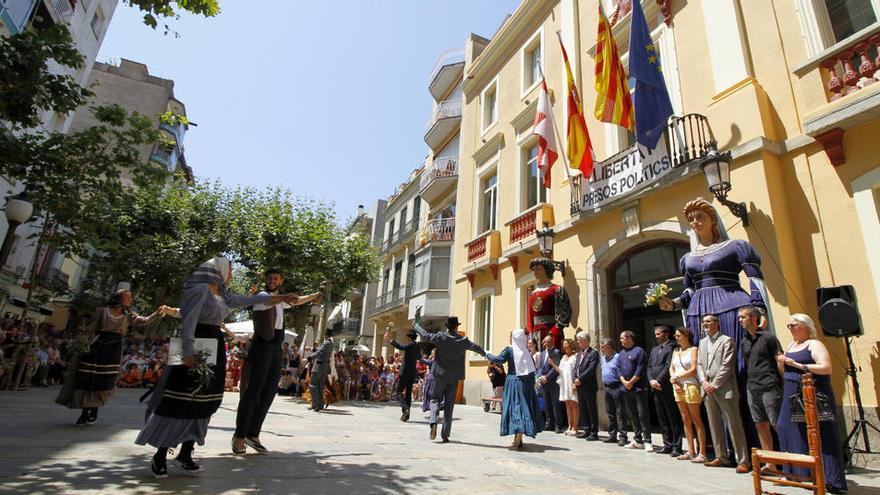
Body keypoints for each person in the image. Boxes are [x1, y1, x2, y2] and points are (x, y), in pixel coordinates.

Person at [135, 257, 296, 478]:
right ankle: (161, 454)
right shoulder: (199, 290)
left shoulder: (222, 293)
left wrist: (282, 297)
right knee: (179, 399)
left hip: (214, 344)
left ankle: (186, 451)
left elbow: (247, 300)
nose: (230, 273)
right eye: (229, 269)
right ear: (218, 269)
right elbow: (188, 322)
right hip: (195, 343)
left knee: (203, 400)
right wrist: (189, 352)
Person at [659, 198, 770, 373]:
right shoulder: (687, 258)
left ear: (713, 219)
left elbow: (755, 279)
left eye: (700, 216)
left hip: (731, 305)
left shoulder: (735, 246)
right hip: (699, 311)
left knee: (736, 358)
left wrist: (759, 309)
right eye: (691, 219)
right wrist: (673, 304)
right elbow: (690, 290)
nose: (695, 222)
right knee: (704, 361)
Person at [232, 268, 321, 455]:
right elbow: (269, 301)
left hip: (275, 348)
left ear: (281, 281)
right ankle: (239, 436)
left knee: (269, 391)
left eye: (276, 278)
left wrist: (314, 295)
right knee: (253, 391)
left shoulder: (281, 301)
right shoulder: (263, 296)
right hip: (261, 347)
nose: (272, 280)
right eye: (270, 278)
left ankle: (253, 434)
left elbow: (296, 301)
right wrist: (285, 296)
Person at [55, 289, 165, 425]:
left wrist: (157, 313)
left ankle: (94, 409)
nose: (130, 300)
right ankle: (84, 412)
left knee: (104, 380)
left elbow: (143, 321)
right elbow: (90, 328)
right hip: (98, 347)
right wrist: (81, 344)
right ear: (119, 299)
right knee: (89, 379)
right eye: (128, 298)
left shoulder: (128, 314)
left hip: (114, 348)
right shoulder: (102, 311)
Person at [775, 314, 847, 493]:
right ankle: (798, 472)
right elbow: (785, 368)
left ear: (805, 326)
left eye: (794, 325)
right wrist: (783, 364)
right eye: (788, 326)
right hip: (792, 392)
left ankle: (832, 478)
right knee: (785, 427)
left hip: (814, 391)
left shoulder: (815, 344)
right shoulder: (791, 345)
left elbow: (826, 367)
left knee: (822, 433)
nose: (790, 328)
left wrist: (798, 365)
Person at [413, 308, 486, 443]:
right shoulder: (463, 340)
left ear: (447, 326)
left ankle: (433, 422)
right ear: (456, 327)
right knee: (449, 405)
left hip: (440, 374)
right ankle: (445, 434)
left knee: (435, 399)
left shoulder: (440, 336)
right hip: (454, 377)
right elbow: (475, 347)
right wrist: (485, 354)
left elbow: (425, 334)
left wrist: (416, 322)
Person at [697, 314, 750, 473]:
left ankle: (743, 460)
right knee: (714, 424)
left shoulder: (727, 340)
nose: (705, 324)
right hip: (707, 388)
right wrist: (704, 382)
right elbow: (699, 364)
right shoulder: (702, 342)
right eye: (704, 322)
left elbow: (727, 365)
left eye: (708, 321)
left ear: (717, 324)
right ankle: (721, 456)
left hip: (724, 388)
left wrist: (714, 384)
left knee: (734, 424)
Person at [739, 305, 783, 468]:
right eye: (740, 318)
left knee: (776, 423)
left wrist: (783, 384)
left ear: (753, 318)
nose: (740, 320)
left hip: (769, 385)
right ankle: (770, 462)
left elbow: (779, 360)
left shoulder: (769, 338)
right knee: (760, 424)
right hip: (752, 386)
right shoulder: (744, 341)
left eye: (743, 317)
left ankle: (790, 461)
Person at [485, 329, 543, 448]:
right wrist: (532, 385)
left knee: (513, 407)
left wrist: (485, 354)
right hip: (525, 383)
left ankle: (518, 431)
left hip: (512, 382)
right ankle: (520, 432)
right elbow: (532, 371)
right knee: (523, 407)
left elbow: (498, 359)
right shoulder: (526, 352)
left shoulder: (509, 351)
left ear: (513, 339)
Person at [669, 326, 707, 463]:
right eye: (676, 335)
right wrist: (673, 381)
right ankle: (690, 450)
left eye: (679, 335)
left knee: (696, 418)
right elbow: (671, 368)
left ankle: (702, 452)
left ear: (686, 336)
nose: (676, 337)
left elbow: (692, 369)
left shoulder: (693, 349)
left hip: (690, 385)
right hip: (677, 387)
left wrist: (677, 378)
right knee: (685, 419)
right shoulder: (675, 351)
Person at [648, 325, 682, 456]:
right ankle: (667, 443)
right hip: (655, 387)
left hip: (666, 387)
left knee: (672, 417)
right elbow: (649, 366)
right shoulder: (654, 349)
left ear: (666, 334)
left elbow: (669, 365)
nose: (656, 336)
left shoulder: (671, 347)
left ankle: (676, 446)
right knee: (662, 417)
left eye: (658, 334)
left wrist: (659, 380)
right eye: (655, 334)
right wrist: (651, 380)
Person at [525, 258, 572, 350]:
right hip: (535, 335)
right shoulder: (533, 293)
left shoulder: (557, 289)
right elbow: (530, 318)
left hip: (551, 333)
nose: (535, 272)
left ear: (546, 270)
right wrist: (527, 334)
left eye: (538, 269)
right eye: (534, 269)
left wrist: (552, 334)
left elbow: (564, 315)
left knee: (551, 360)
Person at [618, 330, 652, 451]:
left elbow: (640, 368)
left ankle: (647, 440)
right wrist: (624, 382)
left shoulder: (639, 351)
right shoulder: (621, 353)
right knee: (633, 414)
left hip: (638, 388)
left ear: (629, 338)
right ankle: (637, 439)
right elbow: (618, 369)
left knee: (642, 414)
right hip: (626, 388)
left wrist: (631, 382)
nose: (620, 340)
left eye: (622, 338)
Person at [384, 327, 420, 421]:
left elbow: (400, 347)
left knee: (397, 392)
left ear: (409, 338)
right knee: (408, 394)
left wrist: (390, 339)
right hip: (412, 373)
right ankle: (406, 415)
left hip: (405, 372)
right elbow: (418, 357)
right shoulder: (417, 346)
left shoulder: (410, 345)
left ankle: (405, 408)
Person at [573, 331, 599, 440]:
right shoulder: (579, 354)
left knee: (591, 408)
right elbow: (575, 368)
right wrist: (575, 378)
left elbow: (591, 368)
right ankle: (586, 429)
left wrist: (580, 378)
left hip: (589, 385)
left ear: (585, 341)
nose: (578, 343)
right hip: (580, 385)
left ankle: (593, 432)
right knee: (583, 408)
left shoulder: (593, 353)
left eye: (579, 340)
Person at [536, 334, 564, 433]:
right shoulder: (543, 353)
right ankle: (549, 423)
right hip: (543, 382)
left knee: (555, 403)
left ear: (551, 341)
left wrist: (547, 377)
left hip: (553, 381)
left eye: (548, 341)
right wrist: (540, 377)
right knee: (547, 403)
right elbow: (541, 367)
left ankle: (558, 424)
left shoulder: (556, 352)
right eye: (544, 342)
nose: (545, 343)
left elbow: (555, 367)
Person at [550, 338, 579, 436]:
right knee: (567, 403)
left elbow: (576, 370)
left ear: (570, 345)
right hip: (564, 382)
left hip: (571, 381)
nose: (564, 345)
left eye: (566, 343)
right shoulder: (563, 357)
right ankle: (570, 426)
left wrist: (574, 382)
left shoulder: (575, 356)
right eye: (564, 344)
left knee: (574, 403)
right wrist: (553, 364)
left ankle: (575, 427)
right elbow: (560, 370)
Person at [599, 337, 625, 444]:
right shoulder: (603, 358)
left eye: (602, 347)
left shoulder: (618, 357)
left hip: (617, 387)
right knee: (610, 412)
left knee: (620, 412)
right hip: (607, 388)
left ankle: (623, 436)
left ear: (609, 347)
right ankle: (612, 434)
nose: (601, 349)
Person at [308, 335, 334, 412]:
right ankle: (319, 405)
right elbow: (321, 350)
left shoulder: (326, 342)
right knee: (320, 387)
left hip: (319, 367)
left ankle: (316, 405)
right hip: (324, 367)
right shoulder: (331, 343)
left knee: (312, 385)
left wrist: (308, 359)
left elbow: (319, 352)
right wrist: (311, 348)